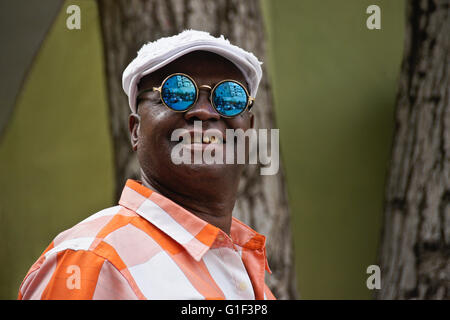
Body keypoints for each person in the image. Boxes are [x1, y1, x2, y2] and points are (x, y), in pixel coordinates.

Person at [18, 30, 275, 300]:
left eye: (230, 98)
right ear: (135, 131)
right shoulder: (91, 259)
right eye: (177, 92)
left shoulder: (242, 266)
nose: (205, 111)